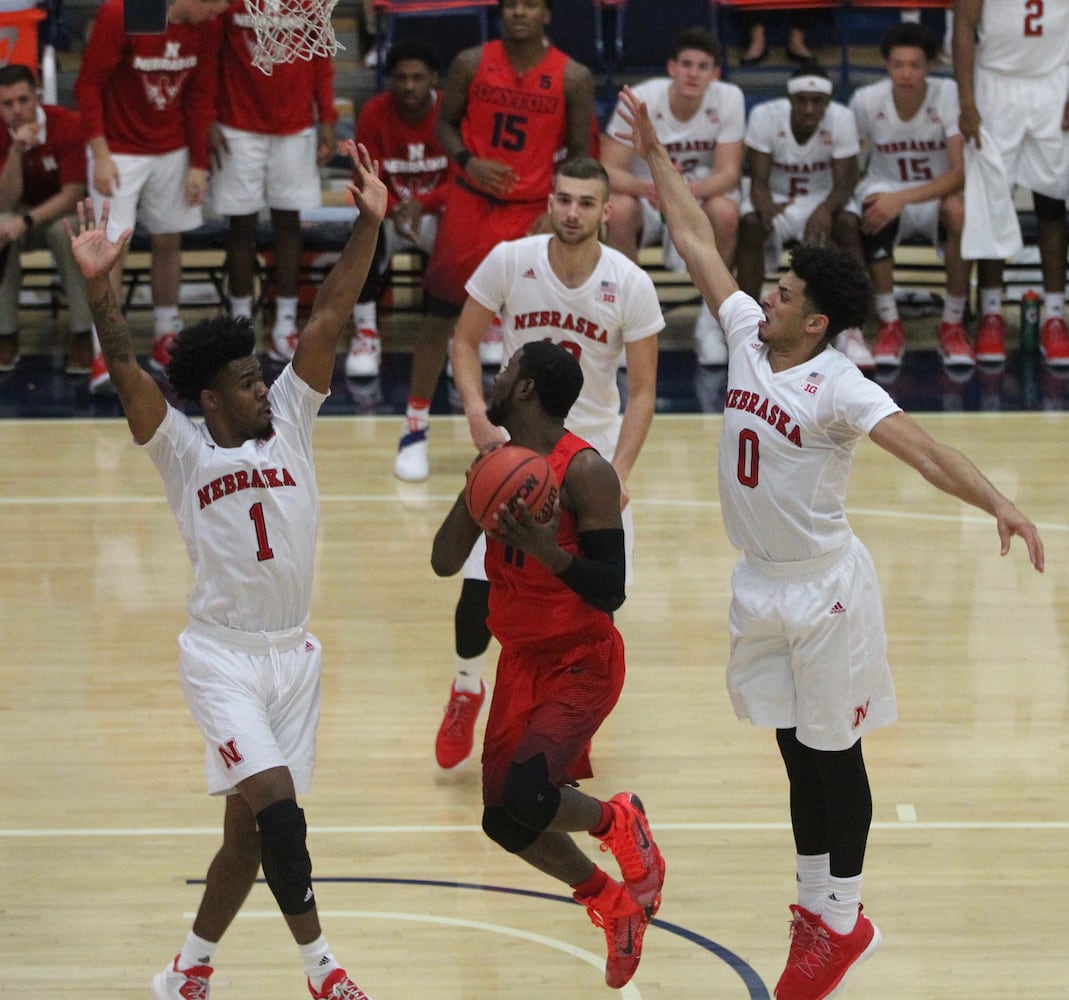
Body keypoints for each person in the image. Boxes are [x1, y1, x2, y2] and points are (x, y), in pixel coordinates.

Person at [616, 83, 1045, 1000]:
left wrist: (1001, 505)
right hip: (757, 584)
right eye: (771, 284)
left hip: (824, 592)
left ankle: (842, 921)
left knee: (832, 757)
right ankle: (813, 905)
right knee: (790, 751)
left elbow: (926, 452)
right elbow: (696, 237)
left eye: (783, 291)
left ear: (814, 322)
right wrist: (655, 154)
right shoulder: (744, 334)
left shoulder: (842, 386)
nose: (764, 292)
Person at [65, 142, 386, 1000]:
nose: (263, 385)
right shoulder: (181, 451)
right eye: (247, 380)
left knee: (246, 839)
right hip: (221, 658)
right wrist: (101, 291)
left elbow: (328, 314)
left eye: (260, 376)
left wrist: (370, 222)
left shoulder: (289, 421)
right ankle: (325, 972)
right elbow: (130, 370)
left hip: (293, 657)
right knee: (280, 811)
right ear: (210, 399)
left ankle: (186, 971)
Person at [430, 339, 666, 990]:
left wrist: (546, 549)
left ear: (527, 389)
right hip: (519, 661)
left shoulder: (586, 472)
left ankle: (619, 821)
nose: (492, 380)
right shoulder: (497, 463)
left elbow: (610, 589)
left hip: (581, 657)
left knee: (529, 796)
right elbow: (444, 562)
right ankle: (609, 902)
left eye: (503, 372)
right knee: (503, 820)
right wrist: (476, 486)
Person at [433, 157, 664, 770]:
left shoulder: (630, 283)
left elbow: (642, 390)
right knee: (481, 584)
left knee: (590, 598)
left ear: (606, 211)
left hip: (588, 461)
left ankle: (567, 720)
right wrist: (480, 415)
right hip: (519, 450)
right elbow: (462, 340)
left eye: (586, 202)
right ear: (550, 200)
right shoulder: (511, 259)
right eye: (563, 198)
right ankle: (464, 686)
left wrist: (620, 472)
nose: (571, 212)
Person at [394, 0, 595, 482]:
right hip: (471, 203)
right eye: (511, 5)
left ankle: (530, 434)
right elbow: (444, 123)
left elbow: (581, 154)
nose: (519, 13)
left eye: (529, 5)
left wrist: (555, 209)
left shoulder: (573, 77)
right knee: (439, 318)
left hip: (530, 211)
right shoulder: (470, 63)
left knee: (530, 326)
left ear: (547, 13)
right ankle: (415, 425)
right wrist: (468, 160)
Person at [74, 0, 228, 394]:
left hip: (171, 146)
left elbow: (200, 93)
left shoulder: (206, 26)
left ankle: (165, 333)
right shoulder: (125, 12)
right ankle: (104, 351)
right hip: (119, 148)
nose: (219, 13)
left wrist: (197, 163)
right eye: (216, 5)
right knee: (111, 250)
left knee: (168, 239)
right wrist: (101, 154)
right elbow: (89, 85)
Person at [600, 26, 743, 366]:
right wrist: (650, 188)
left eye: (702, 66)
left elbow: (728, 173)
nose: (693, 73)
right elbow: (607, 169)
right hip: (647, 199)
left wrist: (679, 192)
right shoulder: (642, 98)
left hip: (694, 198)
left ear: (715, 73)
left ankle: (711, 323)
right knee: (617, 210)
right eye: (687, 64)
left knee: (725, 212)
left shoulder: (729, 98)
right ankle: (624, 322)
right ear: (672, 68)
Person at [210, 0, 339, 364]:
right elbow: (209, 57)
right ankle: (240, 322)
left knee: (288, 227)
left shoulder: (310, 3)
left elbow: (322, 57)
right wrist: (207, 117)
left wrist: (327, 118)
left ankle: (285, 322)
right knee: (241, 229)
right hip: (237, 125)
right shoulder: (228, 5)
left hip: (294, 126)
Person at [849, 22, 973, 368]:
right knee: (871, 206)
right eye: (898, 64)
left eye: (915, 65)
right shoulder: (866, 101)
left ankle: (952, 323)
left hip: (934, 192)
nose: (905, 73)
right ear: (886, 65)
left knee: (959, 210)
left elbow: (959, 173)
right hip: (884, 189)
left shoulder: (947, 95)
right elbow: (853, 163)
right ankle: (889, 324)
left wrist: (902, 198)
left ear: (929, 67)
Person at [953, 0, 1069, 366]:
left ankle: (1054, 315)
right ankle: (991, 314)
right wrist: (967, 101)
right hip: (995, 85)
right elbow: (963, 29)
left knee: (1052, 204)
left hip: (1054, 81)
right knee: (991, 203)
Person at [736, 64, 874, 372]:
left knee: (848, 227)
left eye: (816, 101)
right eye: (801, 100)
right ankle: (746, 325)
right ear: (790, 99)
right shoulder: (764, 116)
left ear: (827, 103)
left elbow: (846, 183)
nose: (809, 108)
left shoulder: (842, 119)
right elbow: (756, 181)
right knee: (749, 225)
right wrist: (765, 205)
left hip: (824, 199)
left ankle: (852, 330)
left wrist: (824, 210)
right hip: (778, 199)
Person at [347, 36, 449, 379]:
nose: (409, 85)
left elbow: (464, 177)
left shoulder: (451, 111)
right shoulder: (374, 112)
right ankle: (366, 332)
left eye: (417, 77)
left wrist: (424, 204)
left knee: (468, 230)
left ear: (434, 77)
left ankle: (458, 332)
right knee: (363, 230)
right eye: (402, 78)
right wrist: (395, 209)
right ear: (391, 79)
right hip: (389, 213)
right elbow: (364, 175)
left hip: (435, 212)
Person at [0, 63, 92, 374]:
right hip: (19, 215)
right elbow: (5, 201)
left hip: (62, 214)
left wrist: (24, 222)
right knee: (0, 227)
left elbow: (73, 193)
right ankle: (6, 333)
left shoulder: (66, 124)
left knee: (62, 231)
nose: (17, 110)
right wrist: (15, 151)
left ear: (36, 96)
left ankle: (82, 334)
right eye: (7, 104)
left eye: (23, 100)